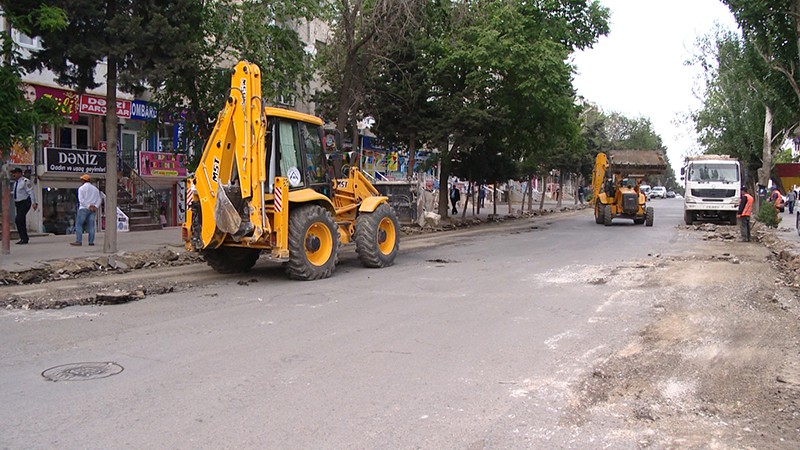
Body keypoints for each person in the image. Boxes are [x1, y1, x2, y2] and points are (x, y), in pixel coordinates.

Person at [72, 174, 103, 246]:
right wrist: (95, 206)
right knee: (91, 226)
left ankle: (79, 241)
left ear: (83, 180)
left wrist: (88, 206)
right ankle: (91, 242)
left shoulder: (81, 188)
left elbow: (81, 200)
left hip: (83, 208)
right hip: (93, 210)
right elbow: (99, 199)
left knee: (79, 225)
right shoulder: (95, 189)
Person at [11, 167, 37, 245]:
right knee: (21, 220)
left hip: (25, 202)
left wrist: (34, 203)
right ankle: (24, 238)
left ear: (19, 173)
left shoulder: (25, 181)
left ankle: (24, 237)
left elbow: (31, 192)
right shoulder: (16, 183)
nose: (14, 175)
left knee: (18, 219)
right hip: (18, 203)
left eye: (15, 173)